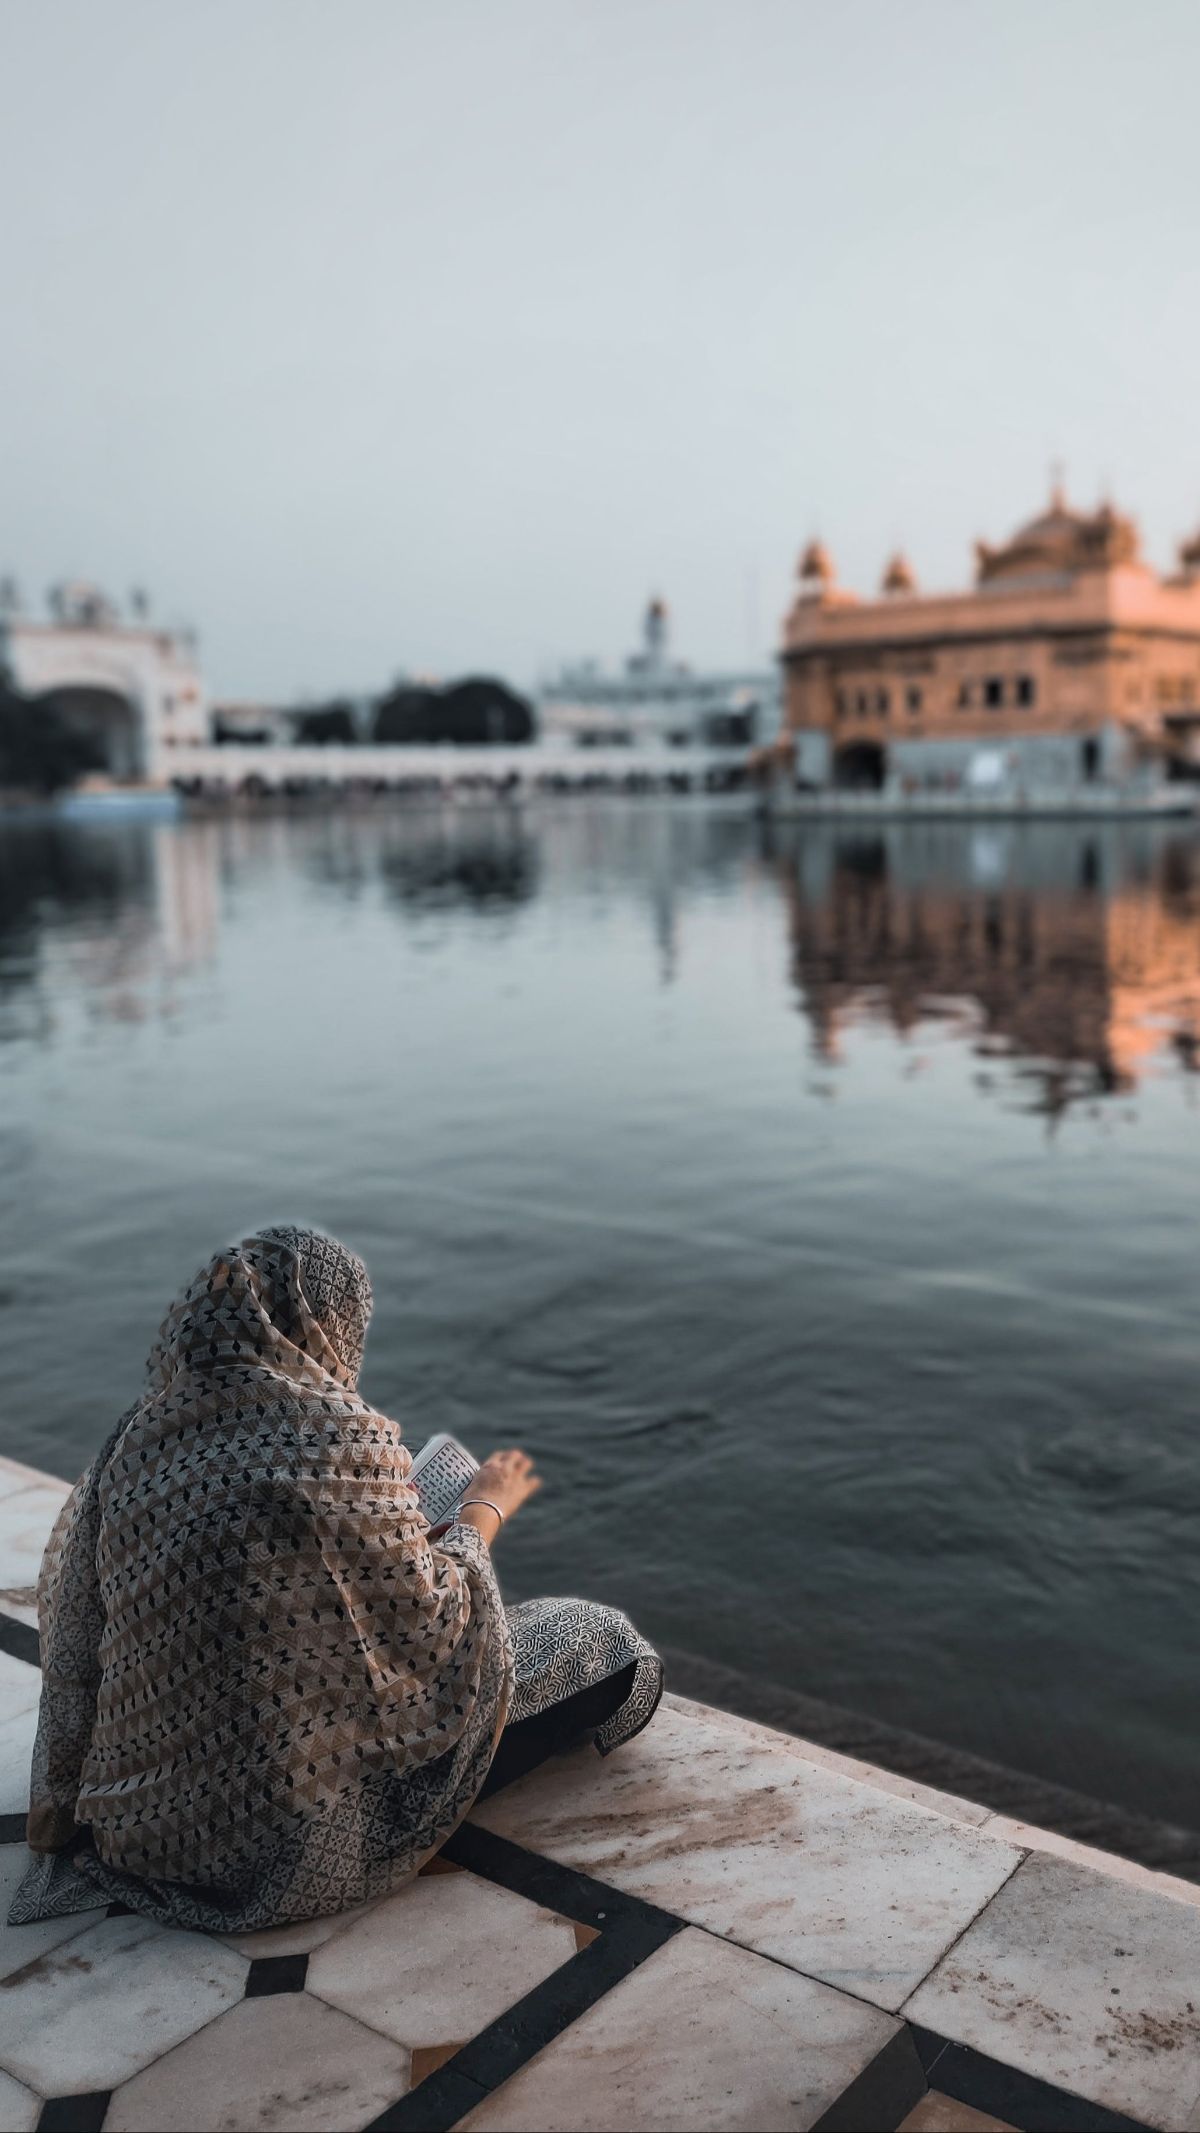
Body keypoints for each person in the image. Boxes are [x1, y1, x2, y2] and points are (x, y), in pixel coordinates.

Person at [10, 1226, 661, 1934]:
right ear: (331, 1323)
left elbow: (78, 1629)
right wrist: (481, 1512)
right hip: (295, 1840)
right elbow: (438, 1639)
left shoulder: (136, 1439)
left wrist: (64, 1798)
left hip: (146, 1826)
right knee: (601, 1643)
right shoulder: (340, 1444)